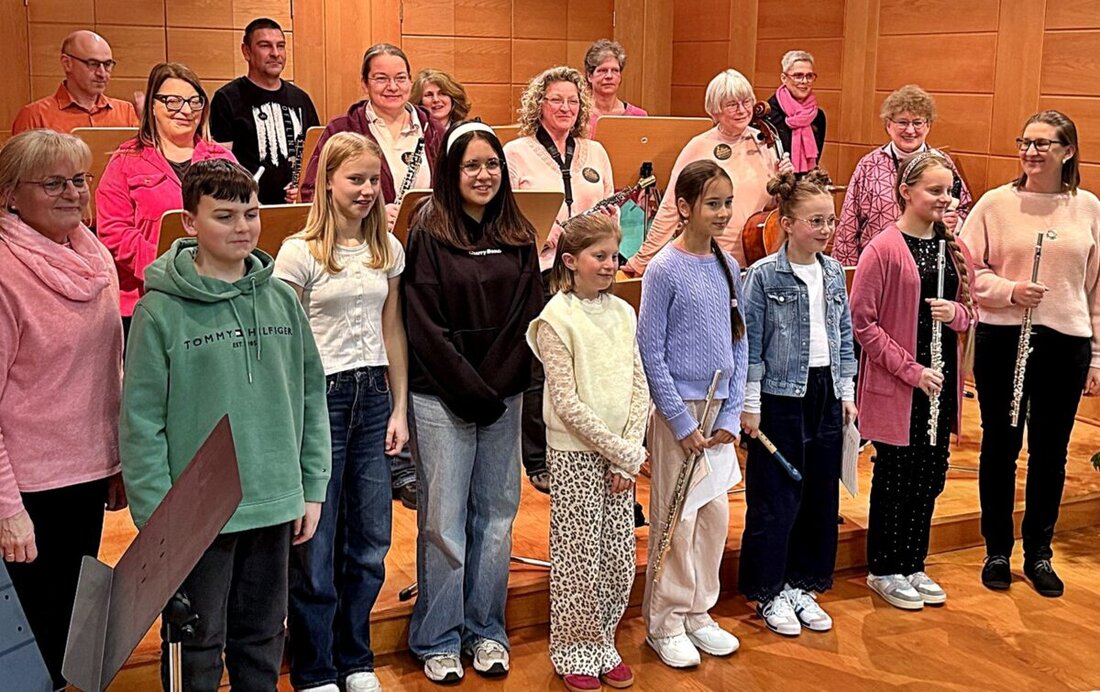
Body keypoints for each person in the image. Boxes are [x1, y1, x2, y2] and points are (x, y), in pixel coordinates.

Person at [119, 159, 331, 690]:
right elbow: (141, 421)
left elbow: (309, 394)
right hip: (195, 513)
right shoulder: (159, 311)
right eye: (224, 216)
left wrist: (311, 486)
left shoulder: (283, 297)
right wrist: (157, 515)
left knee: (262, 638)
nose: (242, 227)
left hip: (275, 497)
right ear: (189, 222)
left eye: (251, 214)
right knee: (198, 644)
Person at [403, 122, 543, 683]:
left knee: (496, 520)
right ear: (451, 173)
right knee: (442, 522)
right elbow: (425, 324)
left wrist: (495, 389)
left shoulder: (518, 232)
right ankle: (436, 636)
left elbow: (528, 320)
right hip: (443, 398)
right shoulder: (428, 232)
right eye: (471, 166)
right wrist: (470, 388)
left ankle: (486, 630)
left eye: (492, 165)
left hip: (502, 397)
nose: (483, 175)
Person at [276, 132, 408, 692]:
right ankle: (315, 667)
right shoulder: (298, 251)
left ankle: (356, 657)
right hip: (320, 399)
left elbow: (392, 329)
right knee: (317, 542)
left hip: (374, 397)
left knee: (371, 539)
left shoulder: (388, 250)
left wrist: (400, 405)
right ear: (327, 181)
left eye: (373, 180)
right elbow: (284, 342)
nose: (366, 191)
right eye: (354, 179)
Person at [0, 129, 126, 690]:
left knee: (69, 631)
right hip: (26, 487)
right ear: (10, 195)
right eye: (53, 182)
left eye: (79, 180)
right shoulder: (5, 273)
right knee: (26, 647)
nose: (72, 192)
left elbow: (108, 370)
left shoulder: (91, 252)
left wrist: (115, 460)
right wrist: (6, 507)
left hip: (85, 473)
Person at [960, 110, 1100, 598]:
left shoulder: (1087, 207)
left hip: (1066, 344)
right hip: (1004, 339)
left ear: (1067, 151)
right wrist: (1008, 290)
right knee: (1000, 446)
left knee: (1051, 453)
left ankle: (1039, 552)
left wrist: (1097, 356)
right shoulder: (996, 204)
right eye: (1026, 142)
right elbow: (967, 270)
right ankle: (996, 549)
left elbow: (1097, 289)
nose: (1032, 151)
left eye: (1045, 144)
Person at [526, 214, 648, 692]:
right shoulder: (556, 318)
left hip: (619, 459)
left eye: (614, 257)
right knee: (580, 557)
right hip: (577, 454)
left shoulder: (623, 313)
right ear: (571, 262)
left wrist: (625, 455)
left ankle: (604, 641)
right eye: (599, 257)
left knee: (617, 558)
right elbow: (566, 401)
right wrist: (620, 450)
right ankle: (574, 648)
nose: (609, 265)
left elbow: (640, 384)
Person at [850, 153, 976, 610]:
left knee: (930, 475)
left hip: (938, 387)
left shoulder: (953, 248)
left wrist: (956, 314)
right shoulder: (882, 249)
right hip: (901, 384)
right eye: (935, 190)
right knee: (895, 476)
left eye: (950, 191)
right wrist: (912, 370)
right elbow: (863, 324)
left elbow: (972, 311)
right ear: (906, 192)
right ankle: (884, 568)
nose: (945, 199)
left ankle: (913, 562)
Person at [738, 170, 857, 637]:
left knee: (819, 494)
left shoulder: (831, 271)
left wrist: (847, 393)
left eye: (830, 220)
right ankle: (769, 590)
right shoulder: (764, 276)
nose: (825, 230)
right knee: (776, 498)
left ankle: (802, 584)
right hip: (780, 397)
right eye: (815, 221)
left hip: (825, 393)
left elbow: (843, 333)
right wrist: (750, 404)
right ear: (787, 223)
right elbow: (750, 345)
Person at [637, 160, 746, 669]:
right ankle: (666, 620)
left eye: (727, 202)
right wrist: (680, 421)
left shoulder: (729, 265)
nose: (723, 213)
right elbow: (650, 350)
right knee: (676, 519)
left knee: (714, 516)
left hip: (719, 411)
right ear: (684, 208)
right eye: (712, 203)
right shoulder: (664, 268)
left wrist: (734, 407)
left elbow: (739, 341)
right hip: (681, 412)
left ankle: (701, 611)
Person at [504, 65, 615, 493]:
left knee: (584, 359)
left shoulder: (596, 152)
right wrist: (546, 228)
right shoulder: (516, 152)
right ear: (539, 105)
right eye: (556, 100)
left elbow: (608, 205)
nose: (565, 107)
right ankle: (536, 456)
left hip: (586, 272)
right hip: (541, 269)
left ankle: (585, 443)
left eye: (572, 100)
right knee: (540, 365)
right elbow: (508, 213)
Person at [96, 62, 236, 338]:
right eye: (173, 101)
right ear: (152, 105)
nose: (185, 110)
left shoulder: (222, 158)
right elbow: (114, 232)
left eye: (194, 102)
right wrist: (170, 268)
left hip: (215, 295)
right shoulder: (125, 161)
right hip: (147, 299)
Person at [624, 69, 792, 275]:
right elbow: (670, 207)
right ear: (715, 110)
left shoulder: (765, 143)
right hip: (707, 260)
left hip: (757, 259)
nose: (742, 110)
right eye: (732, 104)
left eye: (746, 102)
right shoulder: (699, 147)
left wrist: (785, 183)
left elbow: (772, 207)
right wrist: (642, 259)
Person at [832, 84, 972, 266]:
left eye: (917, 122)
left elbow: (965, 208)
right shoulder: (869, 165)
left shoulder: (942, 163)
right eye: (903, 122)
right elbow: (849, 224)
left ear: (928, 125)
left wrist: (956, 222)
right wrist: (847, 273)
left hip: (929, 263)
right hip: (878, 263)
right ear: (888, 125)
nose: (910, 130)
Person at [210, 17, 321, 205]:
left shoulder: (301, 99)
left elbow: (317, 156)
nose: (275, 53)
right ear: (246, 51)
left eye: (281, 46)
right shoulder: (226, 98)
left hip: (298, 209)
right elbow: (222, 164)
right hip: (247, 209)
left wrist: (304, 187)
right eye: (265, 46)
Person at [12, 30, 139, 134]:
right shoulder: (35, 116)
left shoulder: (126, 112)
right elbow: (20, 165)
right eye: (93, 64)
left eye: (107, 64)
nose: (102, 73)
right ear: (67, 63)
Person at [765, 50, 826, 176]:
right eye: (798, 75)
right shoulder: (768, 114)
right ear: (784, 78)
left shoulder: (818, 117)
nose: (804, 81)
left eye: (809, 76)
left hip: (805, 186)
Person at [583, 39, 648, 137]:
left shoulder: (639, 116)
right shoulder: (578, 115)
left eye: (615, 70)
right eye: (603, 70)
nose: (609, 76)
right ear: (589, 76)